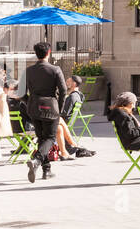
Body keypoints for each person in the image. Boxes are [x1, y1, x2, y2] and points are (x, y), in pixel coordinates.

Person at [22, 41, 66, 184]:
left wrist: (29, 101)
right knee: (50, 137)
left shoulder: (28, 71)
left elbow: (21, 91)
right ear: (49, 52)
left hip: (34, 106)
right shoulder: (55, 69)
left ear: (36, 54)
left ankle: (46, 169)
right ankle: (37, 160)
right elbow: (63, 90)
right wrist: (59, 106)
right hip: (51, 106)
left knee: (42, 138)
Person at [59, 75, 94, 158]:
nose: (66, 83)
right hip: (69, 122)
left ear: (74, 84)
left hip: (64, 121)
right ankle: (77, 149)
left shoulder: (72, 97)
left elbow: (64, 113)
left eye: (68, 81)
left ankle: (76, 149)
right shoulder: (79, 95)